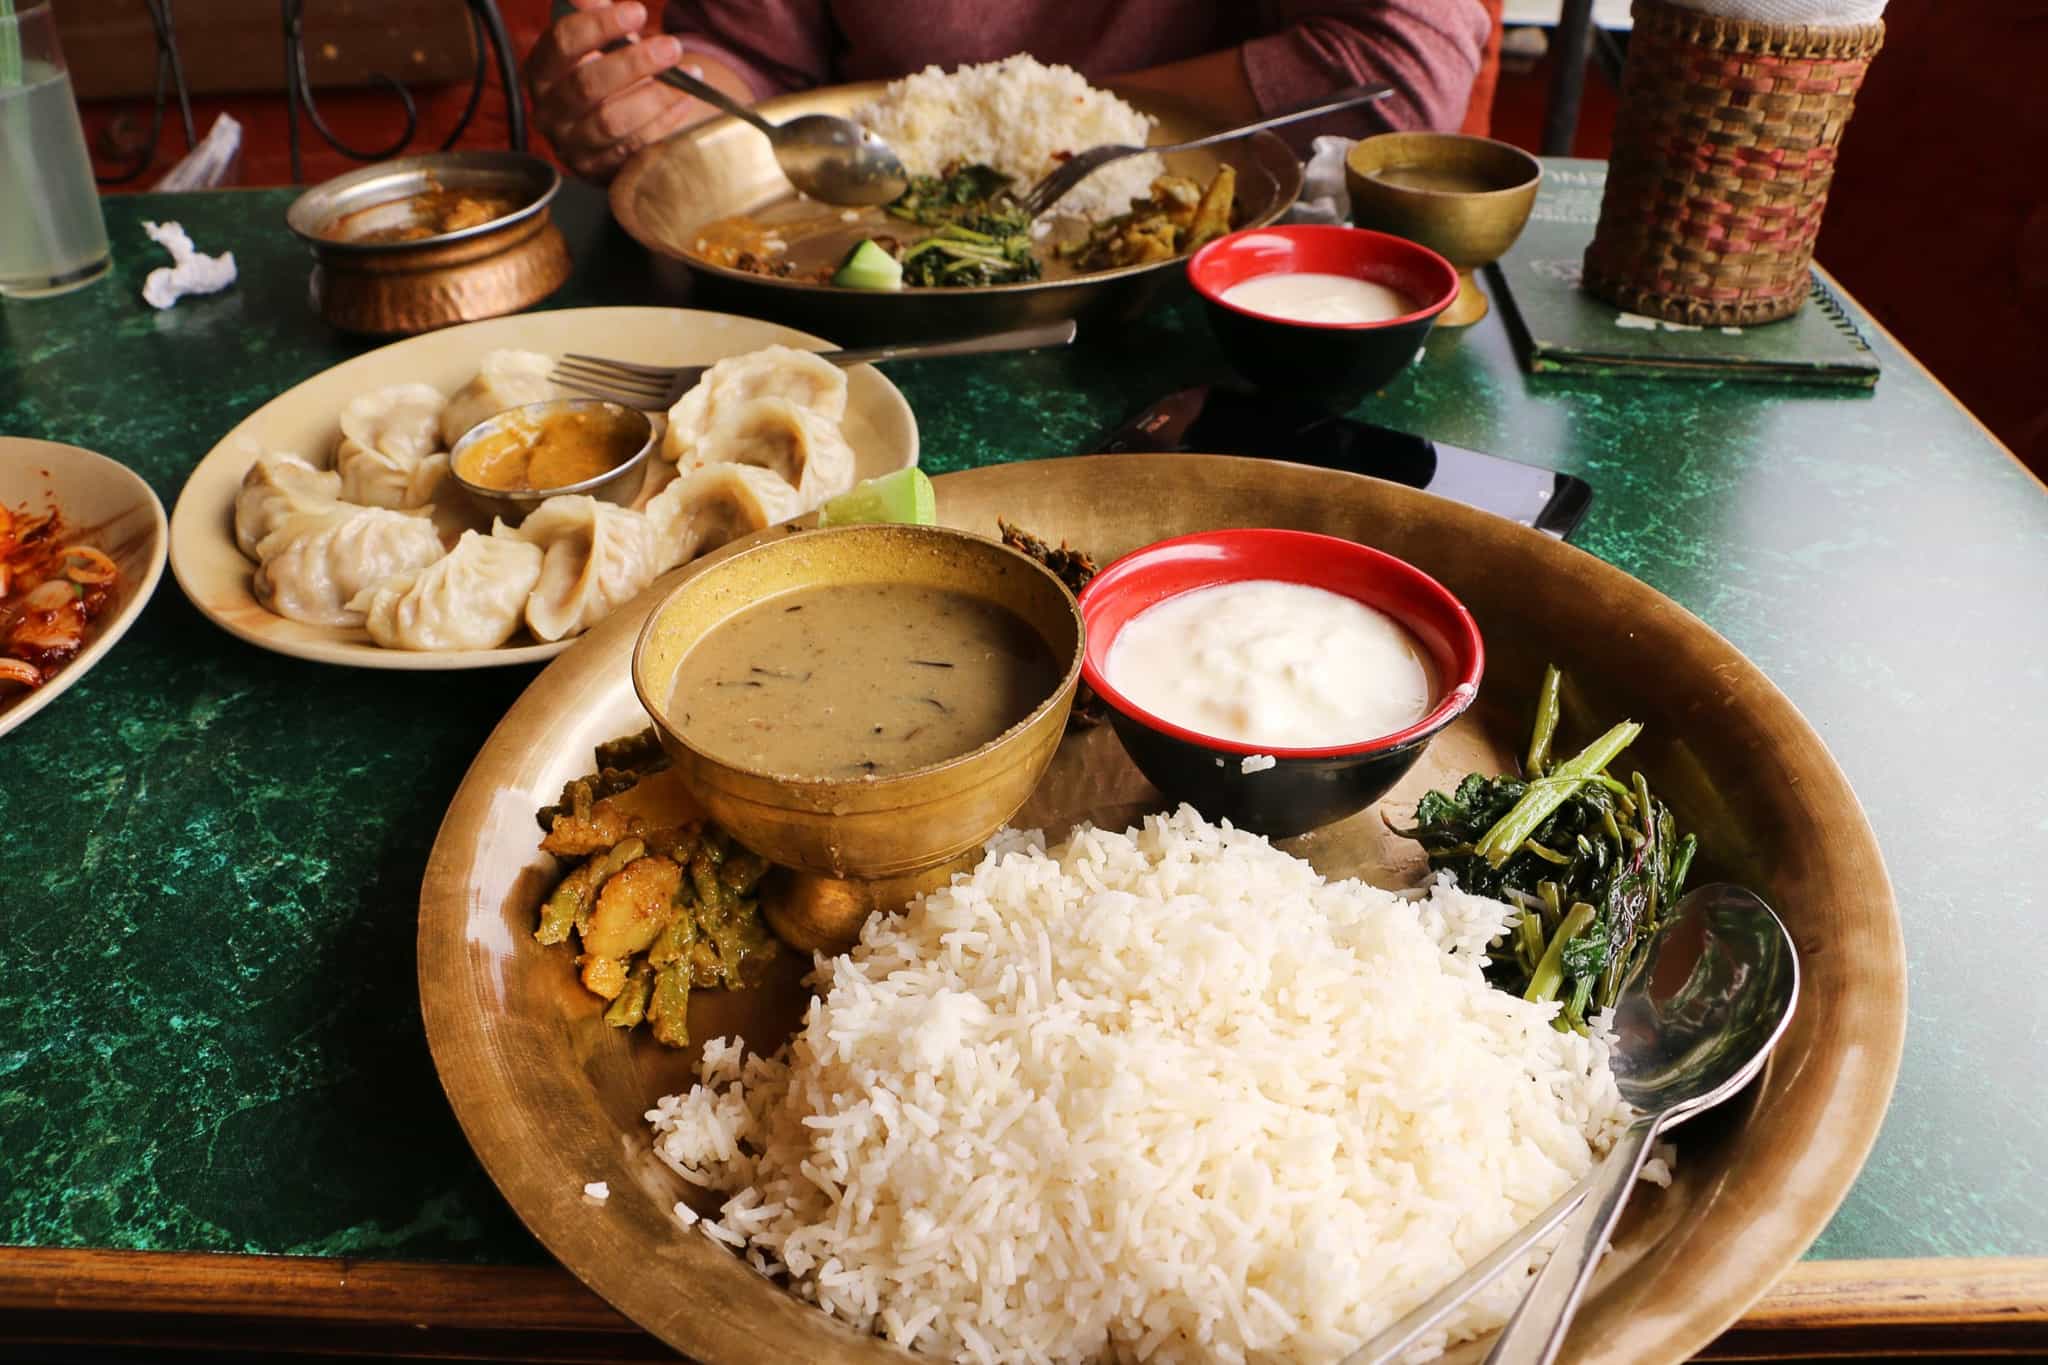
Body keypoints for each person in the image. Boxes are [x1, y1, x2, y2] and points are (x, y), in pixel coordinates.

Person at [528, 0, 1491, 184]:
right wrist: (653, 98)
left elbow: (1402, 75)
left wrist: (1044, 120)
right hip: (869, 311)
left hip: (1217, 337)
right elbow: (759, 64)